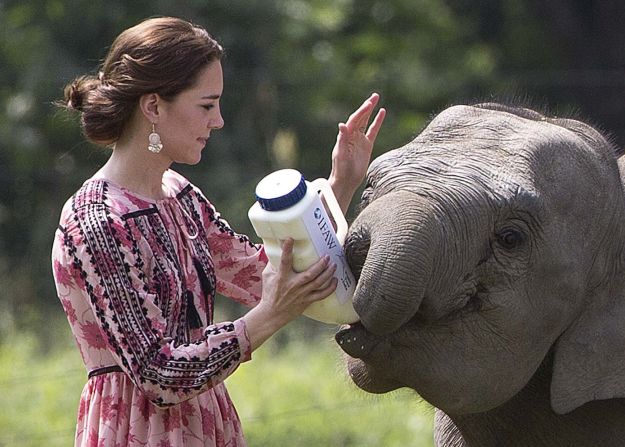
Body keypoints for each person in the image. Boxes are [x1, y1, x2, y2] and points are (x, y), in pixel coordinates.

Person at [51, 16, 386, 446]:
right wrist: (268, 317)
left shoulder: (180, 195)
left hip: (208, 424)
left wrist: (341, 183)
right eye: (207, 106)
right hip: (137, 432)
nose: (219, 121)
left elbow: (270, 272)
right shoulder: (96, 220)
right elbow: (158, 374)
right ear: (153, 107)